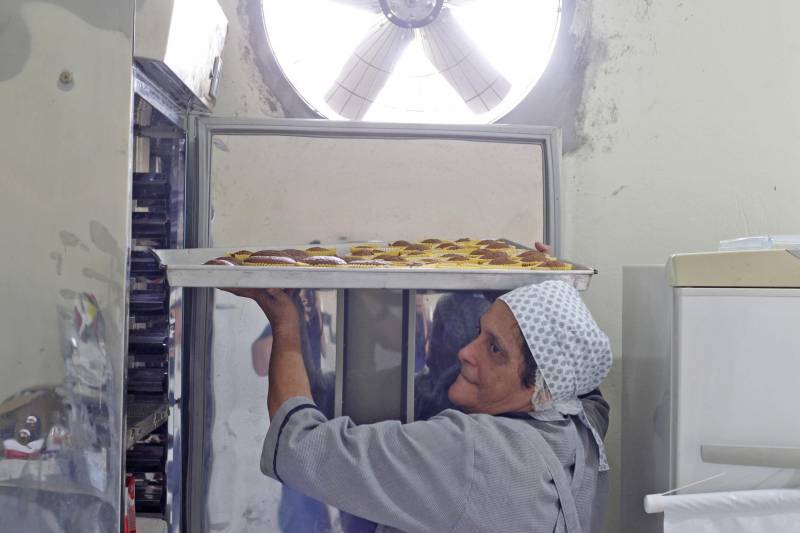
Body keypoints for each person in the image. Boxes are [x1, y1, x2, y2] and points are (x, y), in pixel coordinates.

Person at [224, 280, 612, 533]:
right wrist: (529, 302)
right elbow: (590, 390)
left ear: (542, 387)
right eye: (479, 332)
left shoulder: (472, 456)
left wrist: (286, 329)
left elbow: (299, 446)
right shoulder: (581, 424)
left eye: (494, 349)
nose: (464, 351)